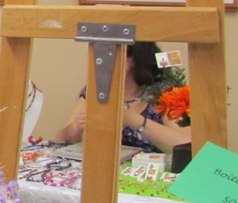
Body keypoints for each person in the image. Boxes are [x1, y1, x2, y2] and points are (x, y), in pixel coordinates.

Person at [55, 41, 191, 153]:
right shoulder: (98, 89)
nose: (100, 63)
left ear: (133, 60)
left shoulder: (165, 91)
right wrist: (76, 127)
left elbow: (187, 147)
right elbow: (63, 139)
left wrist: (134, 121)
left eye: (109, 55)